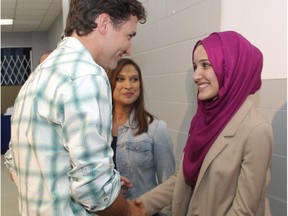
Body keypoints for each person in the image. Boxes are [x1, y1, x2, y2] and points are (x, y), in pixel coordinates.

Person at [4, 0, 147, 215]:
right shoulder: (87, 75)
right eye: (129, 35)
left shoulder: (38, 75)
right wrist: (128, 211)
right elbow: (93, 189)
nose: (129, 49)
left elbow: (14, 164)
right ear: (104, 23)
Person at [138, 31, 273, 216]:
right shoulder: (204, 120)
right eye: (195, 66)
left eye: (205, 65)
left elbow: (243, 211)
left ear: (231, 68)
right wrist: (138, 206)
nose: (196, 76)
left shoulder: (256, 130)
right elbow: (183, 178)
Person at [107, 58, 175, 215]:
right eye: (120, 79)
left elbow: (168, 186)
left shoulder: (156, 129)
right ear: (110, 83)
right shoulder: (98, 129)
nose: (128, 86)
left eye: (134, 79)